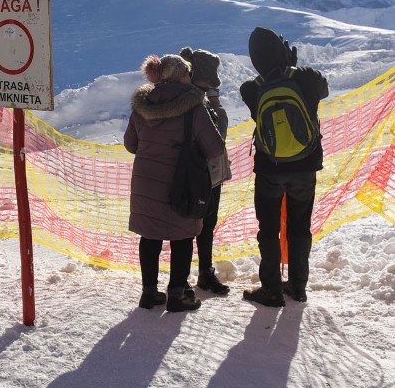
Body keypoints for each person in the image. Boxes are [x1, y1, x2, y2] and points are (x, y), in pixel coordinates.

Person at [124, 54, 228, 312]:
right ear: (183, 75)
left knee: (150, 236)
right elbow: (215, 148)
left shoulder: (142, 104)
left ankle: (149, 294)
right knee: (182, 237)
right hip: (181, 181)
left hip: (146, 182)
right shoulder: (194, 106)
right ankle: (177, 294)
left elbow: (130, 144)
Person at [239, 27, 328, 307]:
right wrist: (293, 64)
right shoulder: (305, 77)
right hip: (305, 166)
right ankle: (298, 286)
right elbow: (322, 88)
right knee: (300, 226)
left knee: (268, 228)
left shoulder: (250, 88)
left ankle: (271, 289)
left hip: (270, 168)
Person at [179, 47, 231, 296]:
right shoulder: (196, 102)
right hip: (199, 173)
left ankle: (202, 273)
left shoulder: (189, 97)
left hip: (204, 174)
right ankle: (190, 277)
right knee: (195, 226)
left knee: (204, 225)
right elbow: (219, 134)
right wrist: (216, 101)